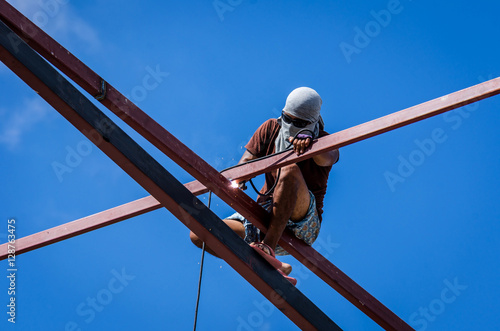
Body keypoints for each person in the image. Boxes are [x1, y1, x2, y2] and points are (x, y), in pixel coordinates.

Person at [189, 87, 339, 285]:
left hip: (301, 224)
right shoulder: (271, 128)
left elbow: (330, 156)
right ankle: (268, 262)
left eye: (300, 123)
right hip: (263, 217)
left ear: (313, 123)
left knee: (289, 170)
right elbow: (246, 163)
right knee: (199, 233)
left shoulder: (324, 141)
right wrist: (239, 178)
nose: (292, 125)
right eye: (288, 119)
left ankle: (267, 248)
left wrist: (313, 145)